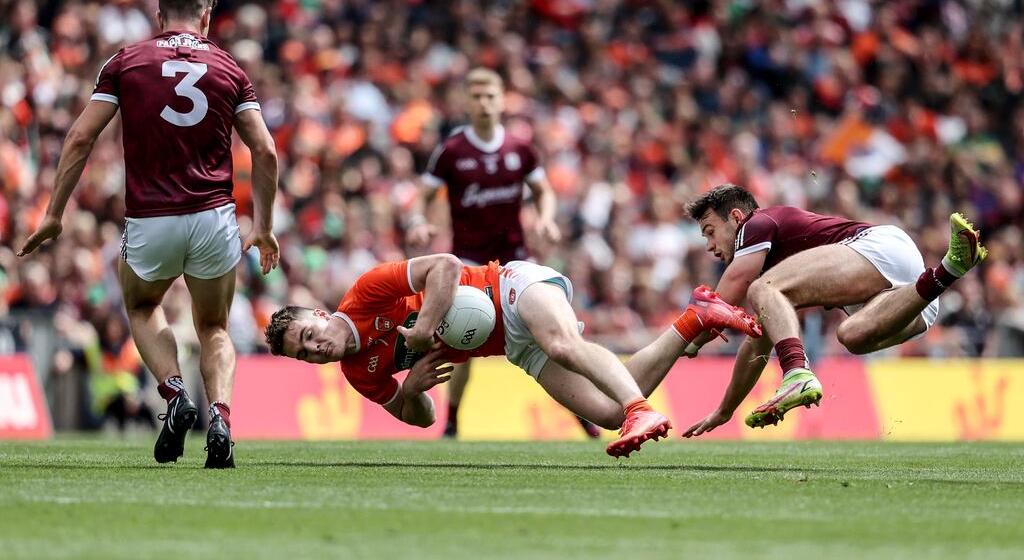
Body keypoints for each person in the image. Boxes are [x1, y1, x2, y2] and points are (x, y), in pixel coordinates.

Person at [18, 0, 280, 468]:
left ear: (159, 15)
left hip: (150, 218)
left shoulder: (125, 62)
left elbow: (79, 137)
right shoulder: (230, 68)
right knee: (215, 327)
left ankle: (175, 393)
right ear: (207, 16)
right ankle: (220, 417)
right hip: (213, 217)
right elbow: (265, 151)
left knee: (141, 307)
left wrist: (53, 213)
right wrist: (263, 227)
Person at [263, 254, 762, 457]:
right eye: (304, 356)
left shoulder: (366, 292)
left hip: (510, 286)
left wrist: (426, 328)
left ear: (320, 314)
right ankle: (697, 317)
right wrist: (411, 391)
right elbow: (420, 417)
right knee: (607, 413)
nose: (314, 351)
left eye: (308, 335)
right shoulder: (357, 372)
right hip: (512, 346)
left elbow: (445, 265)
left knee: (564, 344)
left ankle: (642, 409)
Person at [679, 184, 987, 437]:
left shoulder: (755, 224)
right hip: (917, 302)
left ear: (735, 217)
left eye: (710, 231)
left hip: (878, 248)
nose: (709, 245)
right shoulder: (771, 280)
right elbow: (757, 342)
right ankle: (948, 270)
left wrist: (685, 340)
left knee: (761, 288)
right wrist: (725, 410)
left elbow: (724, 298)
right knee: (852, 336)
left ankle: (797, 373)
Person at [404, 68, 597, 438]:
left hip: (516, 261)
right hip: (469, 264)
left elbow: (544, 190)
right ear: (466, 101)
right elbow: (422, 195)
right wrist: (417, 221)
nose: (484, 103)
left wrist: (546, 218)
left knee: (555, 337)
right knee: (461, 340)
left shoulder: (519, 149)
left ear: (501, 100)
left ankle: (583, 412)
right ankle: (452, 422)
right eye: (476, 96)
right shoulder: (452, 151)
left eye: (490, 96)